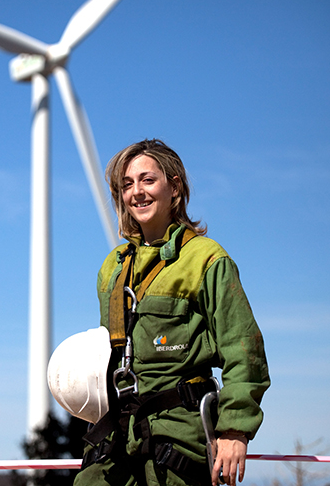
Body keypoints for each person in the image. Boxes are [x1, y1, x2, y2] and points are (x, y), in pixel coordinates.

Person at [74, 139, 270, 486]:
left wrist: (235, 430)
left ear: (174, 187)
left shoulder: (207, 259)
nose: (137, 192)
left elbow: (244, 350)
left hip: (178, 434)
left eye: (148, 180)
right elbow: (107, 358)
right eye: (127, 184)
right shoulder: (113, 269)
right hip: (119, 431)